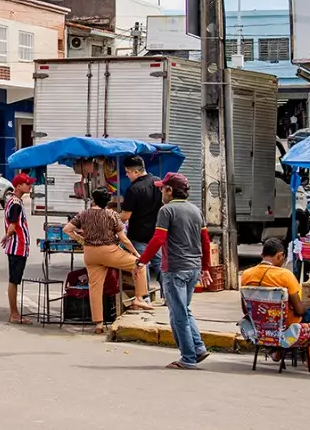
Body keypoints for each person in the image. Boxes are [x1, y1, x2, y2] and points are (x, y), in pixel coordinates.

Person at [138, 173, 211, 368]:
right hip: (193, 268)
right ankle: (198, 347)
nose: (161, 191)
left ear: (170, 190)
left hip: (175, 268)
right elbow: (205, 242)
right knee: (184, 310)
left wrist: (142, 261)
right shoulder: (196, 211)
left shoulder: (166, 210)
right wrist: (205, 268)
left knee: (178, 314)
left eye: (163, 188)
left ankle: (188, 358)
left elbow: (158, 239)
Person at [240, 237, 310, 371]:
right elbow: (299, 311)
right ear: (280, 255)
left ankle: (276, 351)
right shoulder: (285, 275)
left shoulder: (246, 274)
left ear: (262, 255)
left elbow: (245, 309)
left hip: (261, 325)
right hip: (287, 324)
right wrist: (304, 306)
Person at [62, 189, 147, 322]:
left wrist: (81, 240)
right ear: (106, 202)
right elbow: (123, 239)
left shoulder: (83, 214)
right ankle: (139, 298)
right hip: (109, 251)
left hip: (90, 253)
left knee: (95, 287)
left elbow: (67, 229)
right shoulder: (111, 214)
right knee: (139, 265)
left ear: (93, 200)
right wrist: (137, 254)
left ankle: (98, 324)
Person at [118, 156, 161, 309]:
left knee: (143, 265)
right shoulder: (158, 182)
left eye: (127, 172)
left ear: (135, 171)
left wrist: (112, 219)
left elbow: (125, 216)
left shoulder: (134, 189)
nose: (127, 176)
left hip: (139, 235)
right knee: (160, 265)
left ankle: (144, 297)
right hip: (157, 234)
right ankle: (169, 296)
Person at [1, 172, 33, 323]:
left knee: (14, 279)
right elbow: (13, 225)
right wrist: (7, 236)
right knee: (14, 280)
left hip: (16, 246)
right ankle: (14, 314)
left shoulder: (13, 201)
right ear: (19, 186)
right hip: (17, 246)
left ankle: (14, 313)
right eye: (27, 184)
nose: (30, 186)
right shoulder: (15, 204)